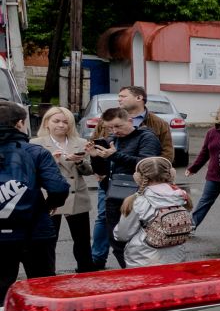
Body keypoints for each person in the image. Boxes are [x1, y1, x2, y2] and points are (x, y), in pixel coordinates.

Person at [0, 101, 70, 290]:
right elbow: (58, 188)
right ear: (20, 124)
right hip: (35, 230)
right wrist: (47, 206)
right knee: (43, 287)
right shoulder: (35, 152)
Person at [87, 106, 164, 269]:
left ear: (130, 120)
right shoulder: (112, 140)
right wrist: (95, 157)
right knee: (116, 241)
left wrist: (114, 155)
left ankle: (141, 275)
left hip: (139, 197)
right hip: (113, 196)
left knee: (140, 242)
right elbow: (101, 171)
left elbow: (147, 165)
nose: (115, 131)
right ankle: (130, 273)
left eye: (118, 126)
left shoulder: (146, 137)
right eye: (110, 128)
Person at [33, 106, 96, 272]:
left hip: (77, 196)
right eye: (56, 121)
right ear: (47, 123)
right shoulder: (35, 144)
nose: (61, 125)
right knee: (48, 241)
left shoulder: (80, 142)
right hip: (51, 197)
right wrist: (51, 162)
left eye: (65, 122)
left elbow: (89, 171)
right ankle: (48, 275)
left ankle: (86, 272)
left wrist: (79, 162)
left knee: (82, 240)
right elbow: (32, 172)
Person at [111, 156, 191, 269]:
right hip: (177, 257)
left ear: (138, 177)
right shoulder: (181, 196)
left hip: (143, 259)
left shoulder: (138, 201)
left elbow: (122, 235)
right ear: (171, 174)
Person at [187, 105, 220, 233]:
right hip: (214, 175)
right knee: (205, 200)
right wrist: (193, 168)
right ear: (219, 118)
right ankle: (192, 225)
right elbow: (204, 153)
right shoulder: (211, 132)